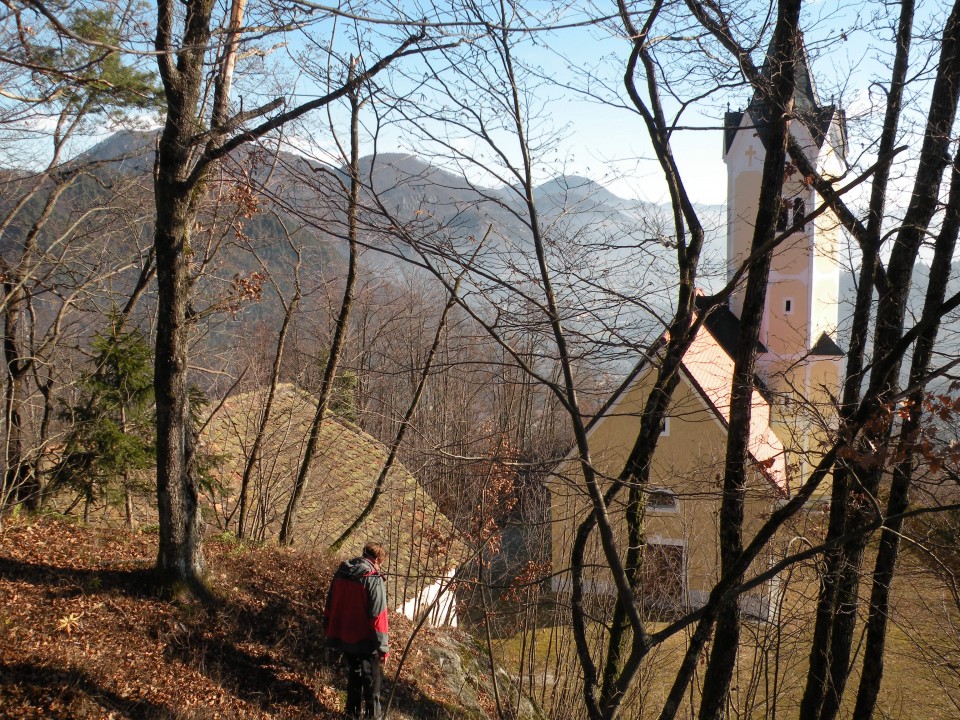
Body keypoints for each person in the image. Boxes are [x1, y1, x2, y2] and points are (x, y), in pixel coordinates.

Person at [324, 541, 389, 719]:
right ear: (377, 559)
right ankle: (372, 717)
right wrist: (383, 648)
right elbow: (378, 617)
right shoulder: (373, 578)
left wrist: (328, 628)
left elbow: (329, 604)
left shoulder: (341, 573)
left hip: (343, 635)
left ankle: (351, 714)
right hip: (366, 640)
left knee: (354, 675)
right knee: (372, 682)